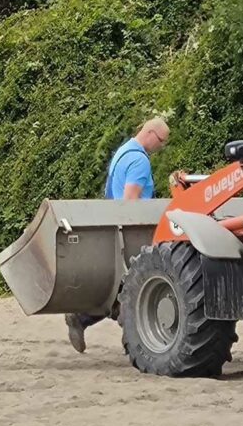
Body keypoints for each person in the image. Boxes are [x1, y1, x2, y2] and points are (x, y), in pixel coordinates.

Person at [70, 116, 170, 352]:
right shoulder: (139, 161)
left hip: (117, 227)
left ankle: (83, 318)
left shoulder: (122, 152)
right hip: (133, 230)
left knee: (123, 287)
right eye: (162, 141)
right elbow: (130, 202)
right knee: (139, 285)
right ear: (151, 134)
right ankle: (129, 338)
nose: (161, 147)